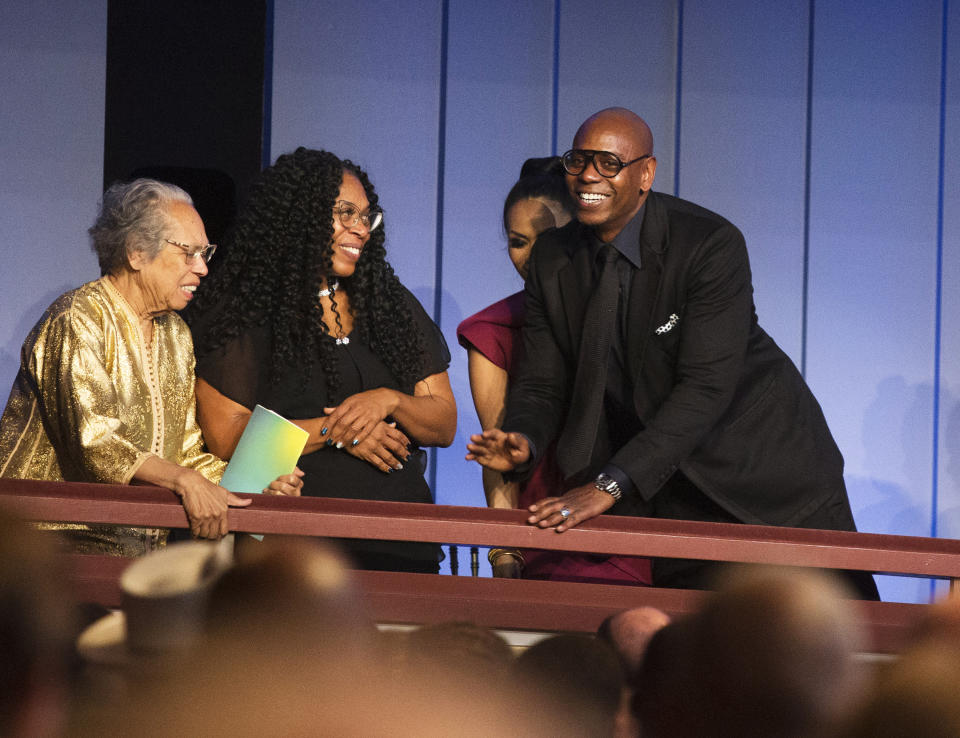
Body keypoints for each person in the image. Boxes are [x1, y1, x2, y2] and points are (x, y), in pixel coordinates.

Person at [467, 107, 879, 599]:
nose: (588, 176)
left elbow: (706, 388)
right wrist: (525, 440)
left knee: (832, 638)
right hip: (668, 487)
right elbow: (543, 382)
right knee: (697, 652)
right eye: (578, 161)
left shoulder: (708, 244)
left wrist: (610, 484)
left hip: (766, 474)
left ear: (646, 173)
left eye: (607, 162)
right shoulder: (555, 257)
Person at [187, 147, 456, 574]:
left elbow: (443, 422)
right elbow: (225, 437)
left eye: (367, 217)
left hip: (402, 544)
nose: (360, 229)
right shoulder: (245, 313)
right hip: (296, 551)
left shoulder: (388, 304)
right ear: (299, 215)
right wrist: (337, 430)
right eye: (344, 213)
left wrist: (386, 401)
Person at [0, 179, 302, 555]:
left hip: (140, 554)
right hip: (49, 555)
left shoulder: (176, 335)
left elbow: (186, 453)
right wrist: (182, 479)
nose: (203, 269)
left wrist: (256, 485)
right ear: (137, 252)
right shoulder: (77, 318)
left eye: (205, 252)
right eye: (189, 253)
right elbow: (95, 441)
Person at [457, 157, 651, 585]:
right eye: (517, 241)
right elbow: (499, 455)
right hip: (545, 526)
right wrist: (505, 551)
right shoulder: (492, 331)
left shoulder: (624, 309)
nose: (532, 257)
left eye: (546, 240)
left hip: (632, 516)